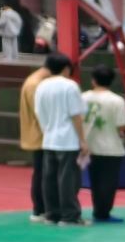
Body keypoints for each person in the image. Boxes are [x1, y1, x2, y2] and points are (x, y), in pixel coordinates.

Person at [32, 53, 88, 226]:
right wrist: (82, 140)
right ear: (66, 69)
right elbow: (76, 115)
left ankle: (52, 214)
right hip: (68, 140)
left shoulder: (41, 86)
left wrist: (47, 130)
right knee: (68, 179)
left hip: (49, 138)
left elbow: (39, 112)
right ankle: (70, 216)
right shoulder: (70, 86)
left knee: (49, 178)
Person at [81, 66, 125, 224]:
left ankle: (98, 210)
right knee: (108, 183)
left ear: (93, 80)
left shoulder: (83, 97)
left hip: (88, 145)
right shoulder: (117, 100)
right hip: (111, 147)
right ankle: (103, 212)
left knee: (94, 181)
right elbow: (121, 125)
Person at [17, 64, 53, 223]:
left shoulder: (34, 82)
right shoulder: (35, 85)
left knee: (41, 172)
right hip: (40, 135)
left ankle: (41, 208)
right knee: (42, 173)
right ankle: (40, 208)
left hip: (39, 134)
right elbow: (39, 112)